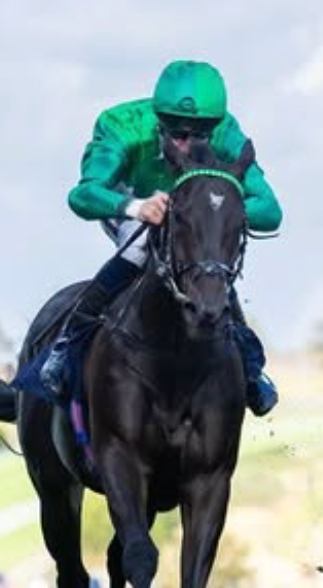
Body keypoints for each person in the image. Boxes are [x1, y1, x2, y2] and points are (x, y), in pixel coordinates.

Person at [38, 59, 283, 415]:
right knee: (140, 250)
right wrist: (135, 207)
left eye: (200, 135)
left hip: (193, 217)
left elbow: (270, 209)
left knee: (206, 264)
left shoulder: (228, 134)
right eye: (178, 135)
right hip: (135, 204)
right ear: (159, 122)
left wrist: (214, 213)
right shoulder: (121, 126)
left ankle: (250, 370)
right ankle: (66, 346)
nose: (188, 145)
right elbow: (83, 195)